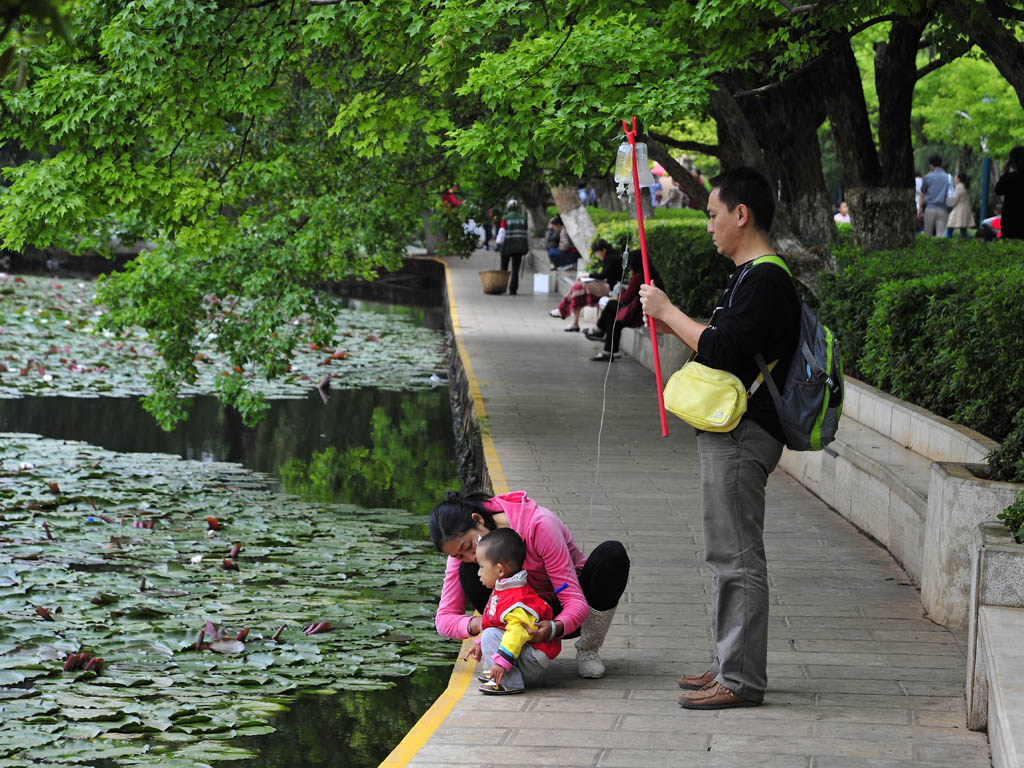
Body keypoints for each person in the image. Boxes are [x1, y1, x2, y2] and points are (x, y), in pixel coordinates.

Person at [639, 166, 800, 710]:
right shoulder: (749, 275)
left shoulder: (767, 279)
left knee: (737, 556)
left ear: (741, 214)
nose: (709, 226)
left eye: (712, 215)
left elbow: (721, 348)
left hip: (743, 432)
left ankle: (741, 679)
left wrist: (667, 312)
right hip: (732, 429)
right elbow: (723, 341)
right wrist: (668, 322)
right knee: (724, 551)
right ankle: (727, 665)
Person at [430, 490, 630, 678]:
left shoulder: (540, 525)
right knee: (467, 571)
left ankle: (588, 649)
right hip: (515, 616)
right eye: (459, 555)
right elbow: (444, 620)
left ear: (478, 519)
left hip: (562, 611)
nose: (470, 556)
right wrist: (487, 623)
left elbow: (573, 600)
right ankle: (509, 648)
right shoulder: (463, 554)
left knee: (612, 554)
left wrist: (555, 627)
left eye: (468, 546)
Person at [465, 528, 561, 695]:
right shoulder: (506, 589)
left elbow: (517, 632)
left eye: (481, 567)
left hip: (533, 663)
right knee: (489, 635)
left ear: (500, 570)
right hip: (527, 655)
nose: (478, 573)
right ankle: (505, 673)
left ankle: (510, 682)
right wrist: (480, 644)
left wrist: (501, 663)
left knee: (490, 635)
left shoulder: (516, 599)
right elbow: (497, 624)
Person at [586, 250, 665, 362]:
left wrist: (620, 292)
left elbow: (624, 299)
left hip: (640, 314)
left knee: (612, 305)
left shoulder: (638, 277)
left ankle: (599, 330)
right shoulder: (654, 276)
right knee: (613, 317)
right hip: (648, 311)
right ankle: (608, 349)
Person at [548, 237, 623, 332]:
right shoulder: (611, 256)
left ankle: (563, 311)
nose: (596, 255)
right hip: (608, 286)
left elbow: (603, 275)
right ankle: (572, 321)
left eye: (597, 252)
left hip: (611, 289)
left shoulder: (611, 258)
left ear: (603, 250)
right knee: (578, 290)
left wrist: (588, 275)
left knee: (578, 287)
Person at [497, 199, 529, 296]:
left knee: (504, 269)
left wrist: (498, 244)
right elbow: (526, 233)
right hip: (519, 248)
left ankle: (502, 288)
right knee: (515, 269)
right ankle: (513, 290)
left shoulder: (505, 218)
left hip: (506, 247)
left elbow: (502, 233)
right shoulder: (523, 218)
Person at [919, 156, 952, 237]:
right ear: (942, 164)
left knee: (927, 235)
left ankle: (927, 249)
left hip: (929, 209)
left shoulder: (927, 177)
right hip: (943, 210)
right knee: (941, 235)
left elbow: (923, 193)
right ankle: (940, 249)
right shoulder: (949, 178)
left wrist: (919, 208)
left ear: (931, 165)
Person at [996, 146, 1024, 239]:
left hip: (1010, 220)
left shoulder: (1009, 178)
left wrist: (1005, 171)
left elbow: (998, 190)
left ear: (1012, 162)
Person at [946, 173, 975, 239]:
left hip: (959, 208)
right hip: (966, 207)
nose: (955, 179)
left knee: (950, 225)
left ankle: (947, 240)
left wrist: (949, 203)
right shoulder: (966, 186)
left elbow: (955, 199)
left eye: (955, 177)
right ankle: (967, 242)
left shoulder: (959, 187)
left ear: (958, 179)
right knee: (963, 228)